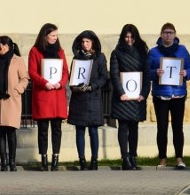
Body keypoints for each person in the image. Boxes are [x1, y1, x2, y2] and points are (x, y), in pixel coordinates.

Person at [148, 23, 190, 170]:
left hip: (178, 94)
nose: (168, 35)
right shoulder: (154, 52)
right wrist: (155, 73)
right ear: (161, 34)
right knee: (161, 128)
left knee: (177, 127)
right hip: (160, 95)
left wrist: (187, 73)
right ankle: (162, 158)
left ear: (175, 34)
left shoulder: (182, 50)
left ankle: (179, 158)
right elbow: (146, 71)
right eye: (165, 32)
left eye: (170, 32)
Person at [28, 23, 69, 171]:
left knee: (57, 128)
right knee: (43, 129)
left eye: (56, 36)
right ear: (45, 36)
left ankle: (56, 158)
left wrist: (61, 83)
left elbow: (65, 71)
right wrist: (45, 83)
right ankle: (44, 158)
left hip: (57, 95)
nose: (55, 38)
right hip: (43, 95)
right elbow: (32, 72)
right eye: (52, 35)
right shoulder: (35, 51)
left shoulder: (60, 51)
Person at [110, 24, 150, 171]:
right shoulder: (116, 53)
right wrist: (121, 93)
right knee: (123, 127)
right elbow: (114, 74)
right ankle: (125, 158)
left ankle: (133, 157)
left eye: (132, 37)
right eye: (126, 37)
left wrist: (144, 94)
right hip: (123, 97)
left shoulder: (142, 53)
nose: (129, 39)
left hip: (137, 97)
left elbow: (147, 75)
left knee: (134, 127)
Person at [67, 30, 107, 171]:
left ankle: (94, 160)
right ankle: (82, 160)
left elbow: (104, 77)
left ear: (93, 43)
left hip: (93, 98)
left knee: (93, 130)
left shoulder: (100, 58)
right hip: (79, 99)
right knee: (79, 130)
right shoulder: (76, 58)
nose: (85, 44)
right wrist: (75, 87)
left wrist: (92, 86)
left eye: (87, 42)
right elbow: (72, 78)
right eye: (83, 42)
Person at [0, 36, 29, 171]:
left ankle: (12, 161)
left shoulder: (17, 60)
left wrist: (17, 90)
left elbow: (24, 79)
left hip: (11, 100)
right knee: (0, 132)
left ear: (6, 46)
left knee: (11, 131)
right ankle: (3, 162)